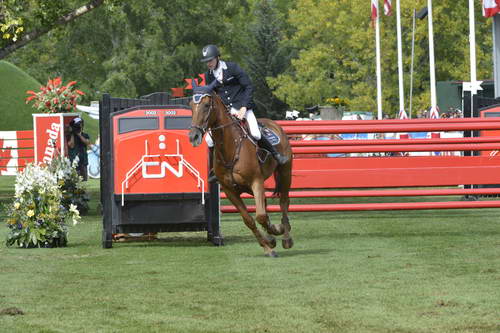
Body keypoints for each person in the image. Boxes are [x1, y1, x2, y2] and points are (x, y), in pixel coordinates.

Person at [200, 44, 288, 182]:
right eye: (206, 62)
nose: (208, 64)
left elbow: (248, 86)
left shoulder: (233, 68)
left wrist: (244, 107)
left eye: (210, 60)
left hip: (241, 107)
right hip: (226, 112)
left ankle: (276, 155)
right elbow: (214, 94)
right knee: (209, 140)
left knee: (255, 132)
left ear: (217, 58)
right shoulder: (208, 75)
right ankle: (213, 170)